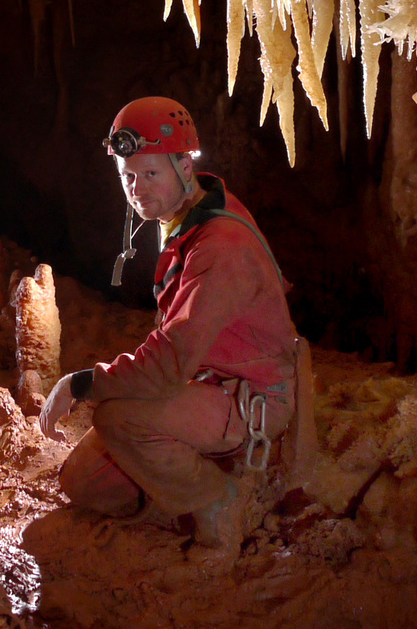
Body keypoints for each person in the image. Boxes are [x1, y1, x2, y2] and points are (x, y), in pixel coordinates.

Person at [38, 96, 301, 548]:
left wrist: (81, 384)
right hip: (207, 382)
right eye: (128, 177)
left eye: (151, 174)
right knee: (86, 483)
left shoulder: (219, 247)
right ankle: (185, 474)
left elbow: (167, 364)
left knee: (118, 418)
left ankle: (220, 503)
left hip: (252, 396)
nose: (137, 188)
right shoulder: (188, 218)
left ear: (185, 164)